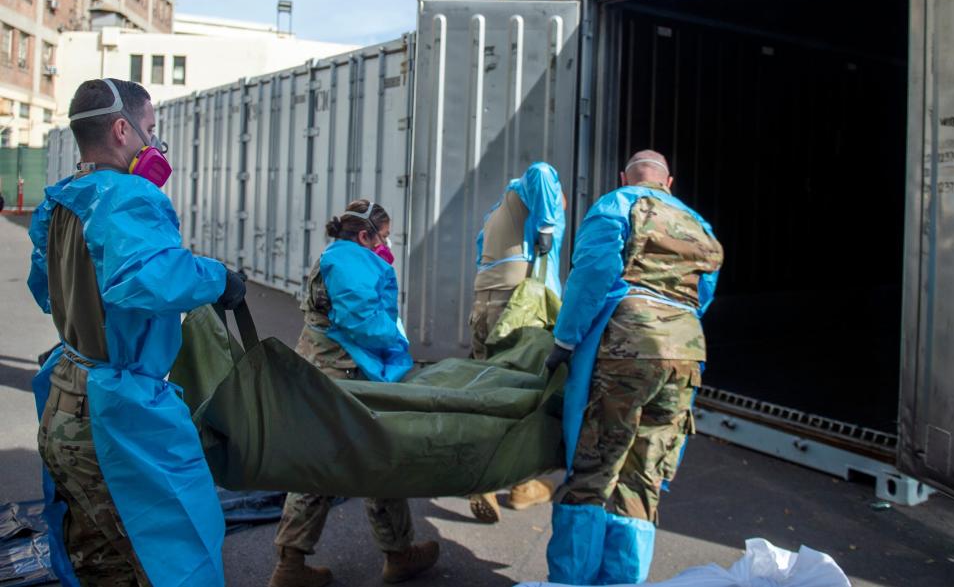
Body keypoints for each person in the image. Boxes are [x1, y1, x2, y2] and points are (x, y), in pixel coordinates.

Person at [27, 78, 247, 586]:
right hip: (115, 418)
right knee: (174, 557)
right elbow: (144, 277)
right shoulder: (128, 196)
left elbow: (46, 293)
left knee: (101, 563)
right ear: (122, 130)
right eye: (150, 131)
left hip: (65, 400)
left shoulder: (62, 201)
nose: (155, 146)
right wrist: (218, 279)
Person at [543, 150, 723, 585]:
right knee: (644, 472)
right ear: (670, 182)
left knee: (594, 466)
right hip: (686, 353)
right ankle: (623, 580)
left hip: (629, 344)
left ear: (624, 176)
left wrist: (565, 340)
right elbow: (705, 293)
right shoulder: (698, 223)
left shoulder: (617, 203)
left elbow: (593, 271)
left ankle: (571, 580)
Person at [268, 199, 440, 587]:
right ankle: (393, 554)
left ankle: (297, 564)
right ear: (365, 235)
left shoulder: (337, 256)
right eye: (383, 235)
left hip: (323, 371)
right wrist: (397, 340)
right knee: (369, 460)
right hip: (344, 377)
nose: (387, 243)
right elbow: (362, 321)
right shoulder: (349, 262)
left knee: (335, 464)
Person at [467, 161, 566, 523]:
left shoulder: (497, 214)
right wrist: (547, 228)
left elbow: (480, 251)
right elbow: (542, 171)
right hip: (516, 308)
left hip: (485, 304)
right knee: (522, 394)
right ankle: (491, 478)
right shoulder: (529, 189)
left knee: (487, 390)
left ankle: (523, 483)